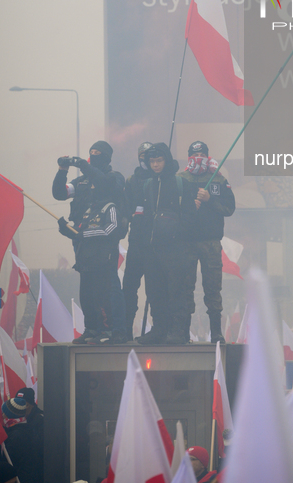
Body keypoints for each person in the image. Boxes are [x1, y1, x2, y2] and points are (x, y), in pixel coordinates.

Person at [53, 141, 127, 344]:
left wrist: (83, 164)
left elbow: (104, 185)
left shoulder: (115, 177)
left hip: (105, 241)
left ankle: (116, 330)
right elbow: (59, 193)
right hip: (82, 240)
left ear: (107, 158)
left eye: (98, 153)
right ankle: (92, 329)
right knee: (87, 288)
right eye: (91, 153)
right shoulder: (82, 182)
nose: (93, 156)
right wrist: (63, 169)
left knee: (109, 286)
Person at [135, 143, 197, 345]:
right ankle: (159, 329)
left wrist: (178, 236)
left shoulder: (181, 184)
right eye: (151, 161)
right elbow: (143, 216)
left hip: (176, 248)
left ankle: (178, 331)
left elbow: (190, 215)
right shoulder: (147, 185)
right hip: (152, 249)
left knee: (177, 290)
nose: (155, 165)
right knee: (154, 290)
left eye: (159, 160)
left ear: (166, 160)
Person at [179, 141, 236, 344]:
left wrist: (210, 200)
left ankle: (216, 332)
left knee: (213, 288)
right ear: (188, 157)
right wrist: (188, 205)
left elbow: (229, 208)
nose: (199, 158)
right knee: (185, 287)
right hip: (186, 242)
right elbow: (170, 208)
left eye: (202, 154)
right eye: (195, 154)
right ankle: (184, 332)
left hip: (210, 242)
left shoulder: (218, 179)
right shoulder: (180, 179)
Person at [122, 142, 154, 340]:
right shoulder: (131, 180)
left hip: (156, 242)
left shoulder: (162, 179)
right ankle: (126, 327)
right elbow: (126, 209)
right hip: (136, 241)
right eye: (143, 155)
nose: (146, 159)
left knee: (155, 287)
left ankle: (157, 329)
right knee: (129, 285)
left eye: (150, 156)